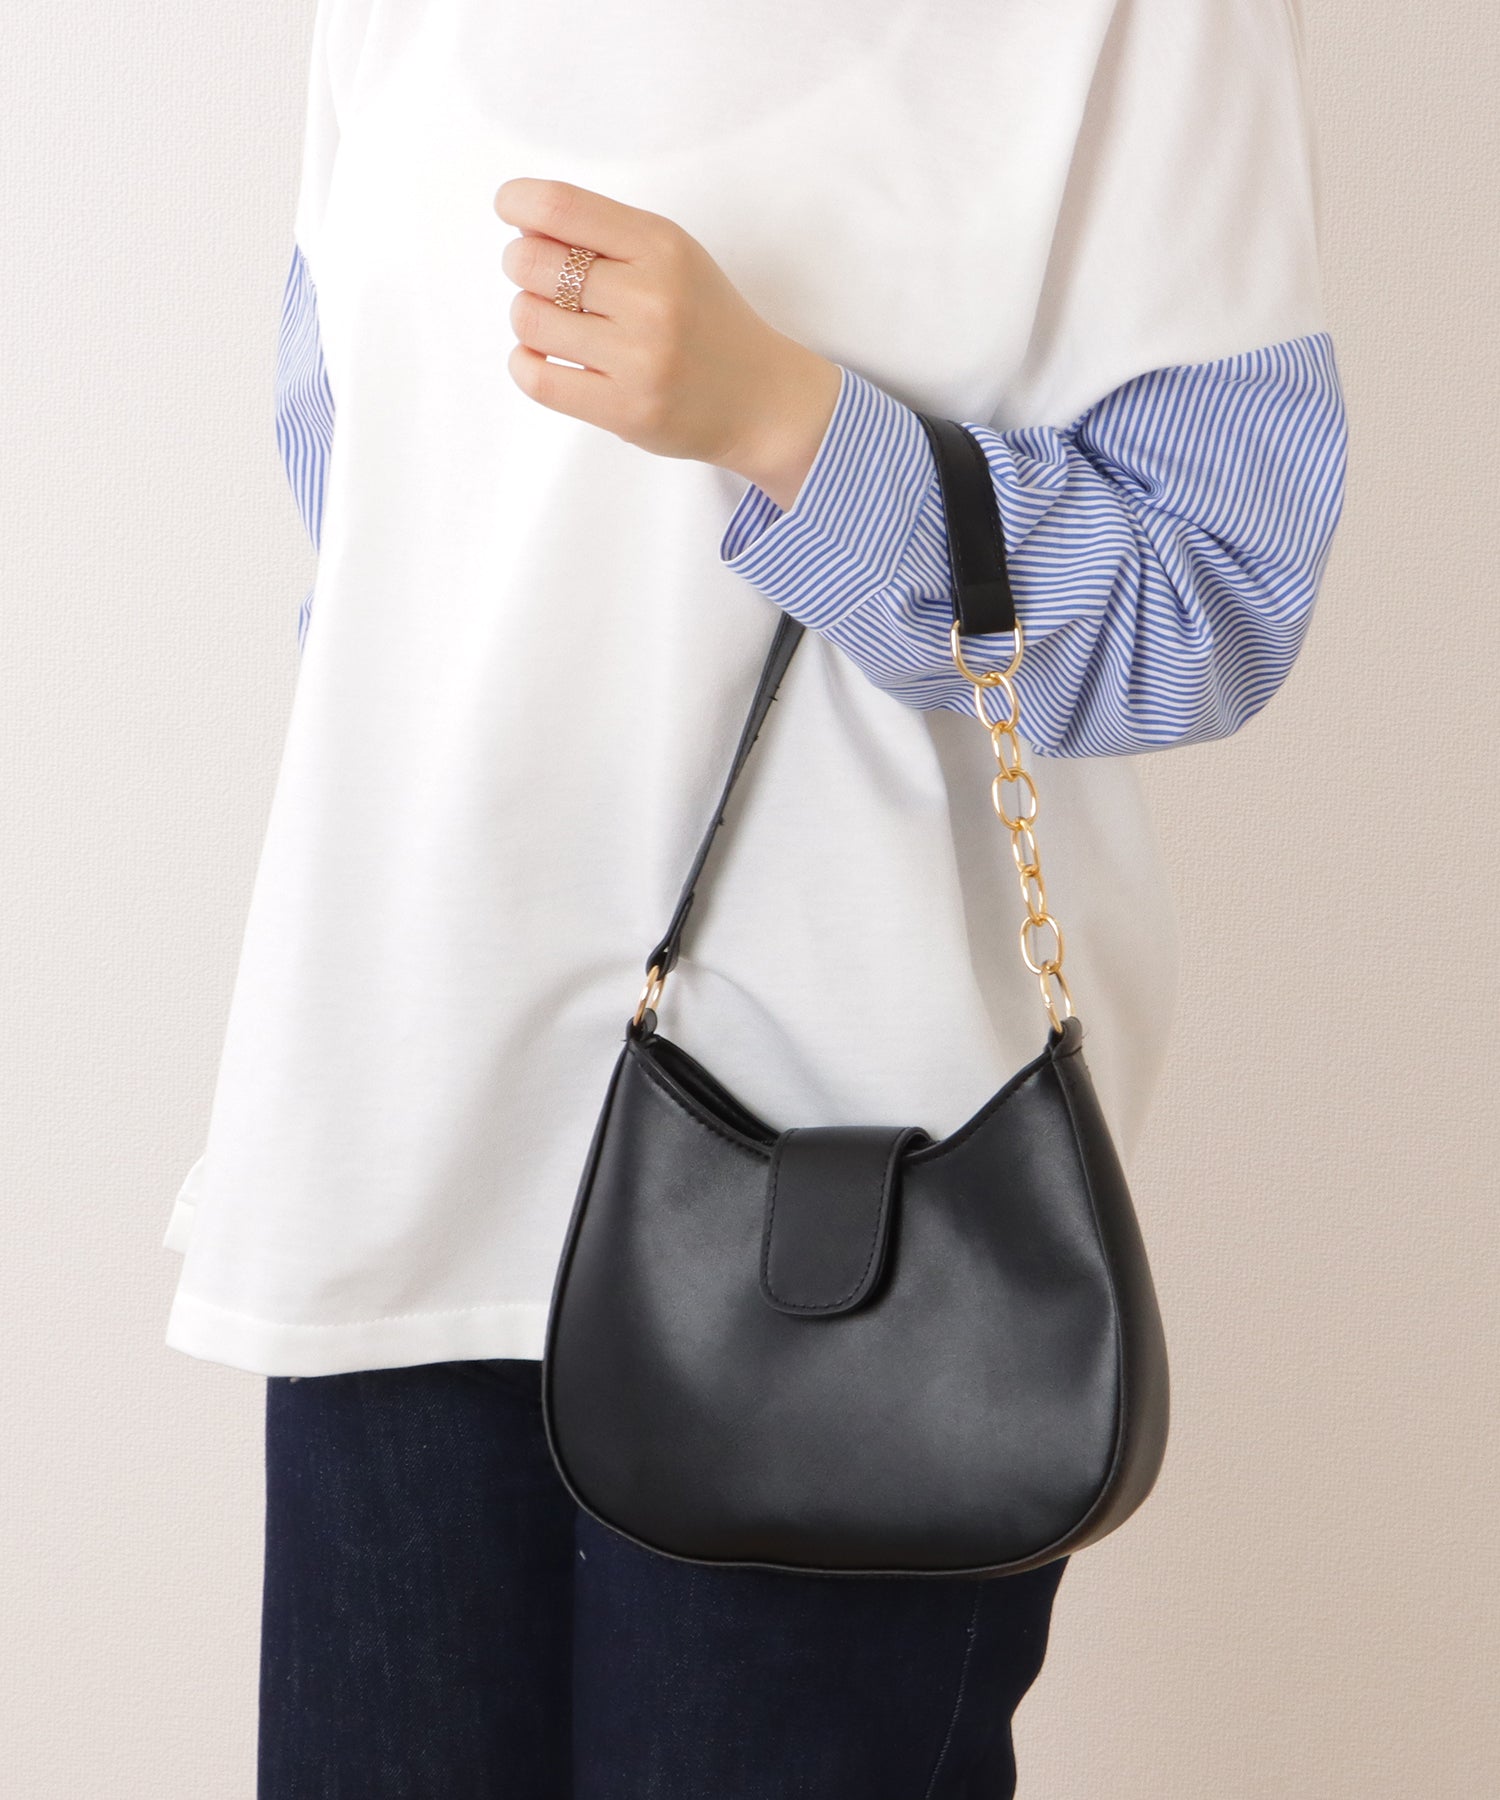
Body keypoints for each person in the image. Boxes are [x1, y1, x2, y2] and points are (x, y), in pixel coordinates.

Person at [163, 2, 1347, 1794]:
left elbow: (1211, 604)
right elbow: (371, 551)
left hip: (849, 1206)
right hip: (397, 1146)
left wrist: (791, 424)